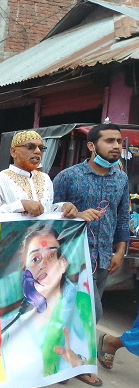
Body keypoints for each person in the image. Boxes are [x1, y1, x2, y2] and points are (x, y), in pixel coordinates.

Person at [0, 129, 80, 388]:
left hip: (42, 264)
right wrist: (18, 206)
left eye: (40, 147)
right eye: (30, 146)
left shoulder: (45, 179)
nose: (37, 151)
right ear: (14, 151)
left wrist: (63, 208)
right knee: (5, 319)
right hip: (8, 263)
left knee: (39, 319)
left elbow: (47, 212)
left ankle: (29, 381)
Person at [0, 224, 95, 388]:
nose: (43, 265)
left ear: (63, 263)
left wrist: (76, 363)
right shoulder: (11, 321)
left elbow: (85, 351)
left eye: (51, 256)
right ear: (24, 268)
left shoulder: (80, 307)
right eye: (35, 259)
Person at [53, 123, 129, 325]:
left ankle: (73, 345)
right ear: (91, 146)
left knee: (80, 316)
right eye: (109, 141)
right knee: (93, 312)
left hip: (103, 257)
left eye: (118, 141)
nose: (116, 146)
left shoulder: (121, 179)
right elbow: (51, 215)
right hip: (73, 257)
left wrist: (120, 251)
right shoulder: (68, 177)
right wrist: (77, 214)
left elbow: (122, 216)